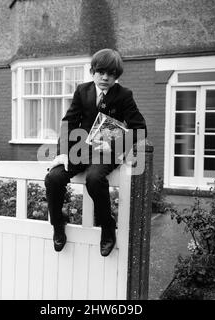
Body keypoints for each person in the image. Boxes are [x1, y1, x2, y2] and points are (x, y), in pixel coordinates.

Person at [45, 48, 147, 257]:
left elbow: (140, 129)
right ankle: (57, 223)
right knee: (53, 178)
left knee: (94, 179)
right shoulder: (82, 91)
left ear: (116, 76)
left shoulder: (124, 95)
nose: (105, 77)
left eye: (111, 74)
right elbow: (69, 122)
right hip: (80, 150)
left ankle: (107, 227)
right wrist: (63, 153)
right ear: (92, 71)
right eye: (101, 72)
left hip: (108, 153)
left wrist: (117, 143)